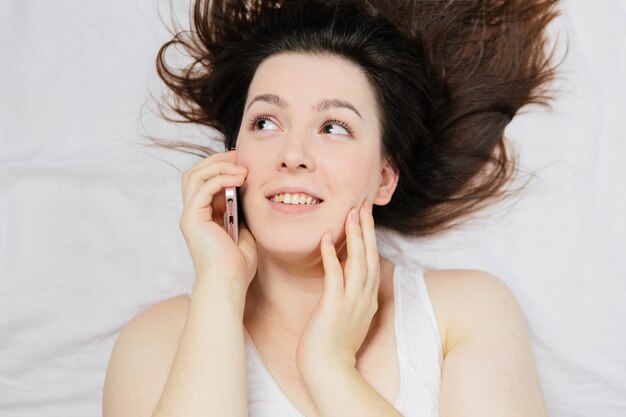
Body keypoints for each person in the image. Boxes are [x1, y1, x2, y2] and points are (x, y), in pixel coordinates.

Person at [103, 0, 559, 416]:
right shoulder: (156, 341)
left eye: (334, 127)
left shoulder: (464, 312)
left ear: (383, 177)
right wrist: (221, 285)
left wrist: (329, 367)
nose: (292, 153)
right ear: (231, 156)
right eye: (264, 122)